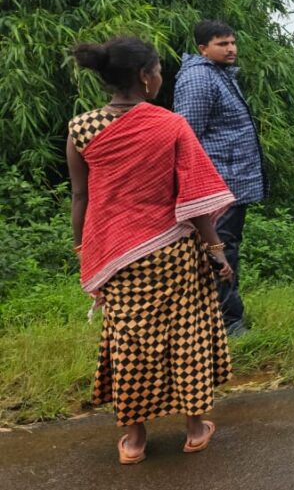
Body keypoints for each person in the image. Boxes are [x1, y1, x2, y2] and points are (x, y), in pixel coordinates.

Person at [67, 37, 235, 464]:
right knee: (187, 334)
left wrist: (82, 247)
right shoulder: (170, 125)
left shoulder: (81, 129)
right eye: (159, 70)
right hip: (174, 251)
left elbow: (80, 198)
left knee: (129, 340)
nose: (162, 77)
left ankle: (135, 441)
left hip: (116, 256)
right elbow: (194, 198)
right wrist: (216, 248)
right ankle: (195, 429)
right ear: (144, 77)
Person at [174, 20, 266, 337]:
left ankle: (224, 318)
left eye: (232, 42)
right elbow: (188, 138)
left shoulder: (218, 74)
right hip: (217, 185)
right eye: (222, 44)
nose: (231, 49)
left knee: (228, 247)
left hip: (232, 182)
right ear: (203, 49)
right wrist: (199, 187)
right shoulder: (200, 78)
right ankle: (228, 322)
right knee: (219, 250)